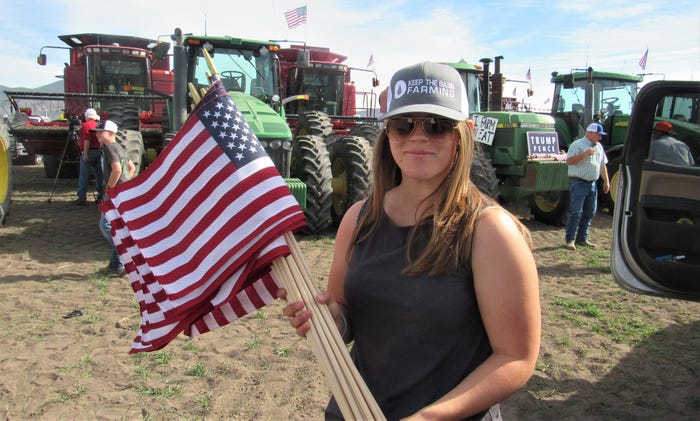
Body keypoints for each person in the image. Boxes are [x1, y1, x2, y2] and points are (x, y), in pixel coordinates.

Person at [279, 62, 541, 420]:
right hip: (355, 412)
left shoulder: (490, 231)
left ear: (463, 133)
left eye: (437, 125)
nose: (419, 136)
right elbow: (347, 316)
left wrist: (429, 417)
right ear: (388, 134)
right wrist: (328, 319)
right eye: (404, 125)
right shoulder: (357, 219)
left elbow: (515, 357)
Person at [94, 119, 135, 276]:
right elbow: (130, 167)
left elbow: (117, 170)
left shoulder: (110, 148)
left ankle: (123, 257)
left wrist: (109, 188)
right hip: (120, 192)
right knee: (113, 227)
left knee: (106, 226)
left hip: (113, 193)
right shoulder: (120, 147)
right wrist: (125, 182)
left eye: (100, 132)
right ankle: (115, 264)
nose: (97, 134)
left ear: (111, 133)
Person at [564, 122, 610, 250]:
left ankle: (582, 238)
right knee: (575, 212)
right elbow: (569, 161)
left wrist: (606, 181)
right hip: (579, 182)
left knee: (590, 212)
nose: (600, 138)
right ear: (590, 134)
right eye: (598, 135)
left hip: (592, 184)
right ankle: (570, 240)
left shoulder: (599, 147)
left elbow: (602, 165)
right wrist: (585, 154)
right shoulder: (577, 145)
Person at [75, 108, 103, 205]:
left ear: (86, 116)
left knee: (84, 175)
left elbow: (87, 140)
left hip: (89, 151)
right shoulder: (97, 125)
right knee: (99, 175)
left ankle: (81, 197)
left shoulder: (86, 125)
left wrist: (85, 154)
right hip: (97, 152)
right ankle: (101, 196)